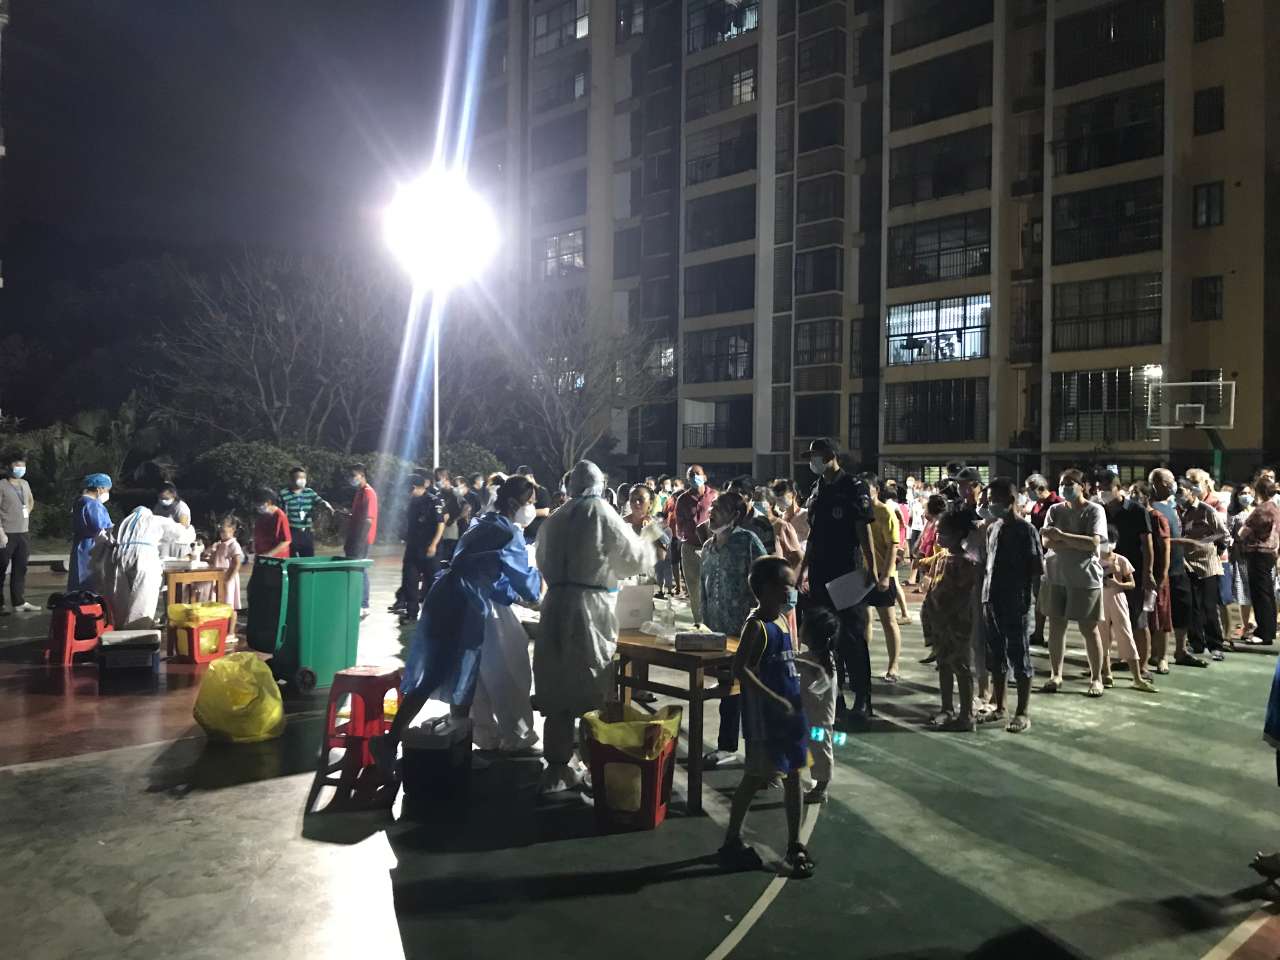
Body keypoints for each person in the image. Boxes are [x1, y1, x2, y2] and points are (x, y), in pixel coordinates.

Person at [374, 476, 543, 772]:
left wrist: (511, 595)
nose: (532, 509)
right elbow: (524, 582)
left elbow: (488, 573)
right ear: (513, 503)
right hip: (465, 603)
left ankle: (456, 747)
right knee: (449, 673)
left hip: (447, 594)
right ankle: (392, 742)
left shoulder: (483, 522)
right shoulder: (507, 532)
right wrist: (538, 587)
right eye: (529, 503)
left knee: (457, 673)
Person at [533, 460, 654, 793]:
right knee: (590, 686)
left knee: (556, 687)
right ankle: (592, 767)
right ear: (600, 484)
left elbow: (540, 559)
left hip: (555, 607)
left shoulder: (555, 518)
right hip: (590, 609)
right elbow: (632, 561)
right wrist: (647, 543)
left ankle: (557, 767)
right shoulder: (602, 513)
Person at [717, 556, 814, 880]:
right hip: (766, 722)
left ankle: (795, 843)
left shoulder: (783, 620)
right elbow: (740, 669)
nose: (791, 591)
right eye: (786, 585)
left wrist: (809, 671)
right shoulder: (756, 626)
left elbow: (787, 661)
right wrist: (773, 698)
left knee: (795, 775)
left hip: (790, 717)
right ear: (767, 588)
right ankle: (731, 839)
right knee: (755, 776)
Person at [800, 438, 878, 727]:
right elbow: (813, 534)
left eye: (816, 455)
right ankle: (836, 697)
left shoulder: (853, 486)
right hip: (819, 572)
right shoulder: (817, 488)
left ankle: (863, 699)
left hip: (846, 571)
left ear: (831, 455)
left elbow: (862, 528)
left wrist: (872, 565)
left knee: (852, 637)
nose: (813, 461)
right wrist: (802, 569)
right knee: (823, 638)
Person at [701, 493, 768, 768]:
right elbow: (704, 590)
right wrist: (704, 624)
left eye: (719, 508)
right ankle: (727, 746)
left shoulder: (747, 542)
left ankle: (761, 756)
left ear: (735, 516)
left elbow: (767, 577)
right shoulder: (708, 547)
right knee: (728, 691)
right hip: (720, 634)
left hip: (747, 632)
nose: (712, 511)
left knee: (752, 693)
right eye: (712, 507)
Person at [981, 477, 1043, 733]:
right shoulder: (993, 528)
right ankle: (1000, 707)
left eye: (994, 500)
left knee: (1019, 657)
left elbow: (1036, 569)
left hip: (1015, 601)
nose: (990, 504)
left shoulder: (1026, 530)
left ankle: (1022, 712)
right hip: (991, 599)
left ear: (1010, 500)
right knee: (996, 657)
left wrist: (1035, 602)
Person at [1040, 469, 1109, 697]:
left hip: (1084, 578)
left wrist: (1061, 536)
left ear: (1083, 486)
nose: (1065, 487)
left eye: (1070, 483)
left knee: (1088, 628)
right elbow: (1047, 541)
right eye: (1062, 483)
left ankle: (1096, 678)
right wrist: (1074, 541)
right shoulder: (1055, 510)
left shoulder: (1094, 510)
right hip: (1056, 575)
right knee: (1056, 626)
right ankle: (1055, 675)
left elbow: (1092, 543)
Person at [923, 509, 981, 731]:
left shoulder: (966, 562)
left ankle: (966, 715)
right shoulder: (941, 558)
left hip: (957, 624)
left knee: (961, 667)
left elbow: (964, 595)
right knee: (944, 664)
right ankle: (946, 708)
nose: (938, 536)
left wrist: (947, 616)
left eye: (943, 532)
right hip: (939, 622)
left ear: (957, 534)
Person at [93, 506, 195, 627]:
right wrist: (188, 527)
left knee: (120, 599)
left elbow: (104, 539)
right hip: (144, 557)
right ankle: (139, 630)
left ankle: (120, 629)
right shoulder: (154, 519)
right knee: (143, 597)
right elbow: (181, 534)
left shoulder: (123, 522)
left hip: (117, 558)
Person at [1100, 470, 1155, 679]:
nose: (1103, 492)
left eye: (1107, 488)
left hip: (1132, 571)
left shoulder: (1137, 510)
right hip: (1105, 573)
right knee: (1105, 622)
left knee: (1138, 619)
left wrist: (1148, 572)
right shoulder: (1100, 511)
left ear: (1118, 488)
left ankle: (1143, 666)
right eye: (1099, 488)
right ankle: (1103, 666)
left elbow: (1147, 544)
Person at [1149, 468, 1205, 668]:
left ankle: (1180, 651)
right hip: (1162, 568)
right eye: (1170, 480)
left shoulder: (1173, 506)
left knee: (1183, 608)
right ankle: (1157, 654)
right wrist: (1181, 542)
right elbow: (1156, 540)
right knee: (1161, 613)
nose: (1174, 484)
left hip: (1178, 566)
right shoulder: (1151, 508)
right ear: (1159, 483)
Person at [1098, 526, 1158, 692]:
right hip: (1099, 599)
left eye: (1110, 541)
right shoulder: (1093, 560)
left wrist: (1118, 583)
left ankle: (1137, 677)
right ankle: (1106, 673)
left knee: (1125, 635)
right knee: (1102, 637)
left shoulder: (1121, 560)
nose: (1107, 545)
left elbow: (1132, 583)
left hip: (1118, 598)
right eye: (1104, 541)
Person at [1177, 477, 1230, 661]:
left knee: (1209, 607)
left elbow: (1224, 534)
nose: (1178, 495)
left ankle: (1216, 645)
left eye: (1181, 491)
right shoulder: (1178, 511)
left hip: (1207, 565)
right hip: (1187, 564)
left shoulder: (1206, 510)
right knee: (1192, 606)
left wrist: (1205, 544)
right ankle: (1196, 643)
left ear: (1191, 491)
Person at [796, 605, 839, 804]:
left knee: (820, 750)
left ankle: (821, 789)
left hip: (819, 720)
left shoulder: (822, 663)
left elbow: (817, 688)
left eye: (803, 625)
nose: (800, 628)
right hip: (810, 716)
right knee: (813, 749)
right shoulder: (816, 657)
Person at [1237, 475, 1279, 646]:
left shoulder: (1262, 509)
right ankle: (1269, 630)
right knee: (1267, 593)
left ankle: (1263, 633)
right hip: (1270, 553)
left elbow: (1244, 531)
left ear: (1258, 491)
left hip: (1257, 553)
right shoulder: (1275, 508)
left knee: (1260, 594)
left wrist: (1238, 539)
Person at [396, 474, 445, 623]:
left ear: (414, 487)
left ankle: (432, 615)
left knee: (432, 582)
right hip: (413, 547)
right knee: (410, 580)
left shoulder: (433, 501)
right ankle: (411, 613)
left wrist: (434, 544)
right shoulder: (412, 502)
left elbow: (440, 524)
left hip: (430, 548)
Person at [675, 464, 716, 626]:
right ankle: (699, 622)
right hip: (690, 548)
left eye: (697, 473)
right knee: (694, 587)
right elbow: (679, 525)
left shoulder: (714, 496)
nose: (694, 477)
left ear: (704, 476)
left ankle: (713, 621)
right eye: (691, 475)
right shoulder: (682, 499)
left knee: (711, 585)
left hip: (712, 547)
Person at [1025, 474, 1062, 645]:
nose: (1027, 493)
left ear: (1040, 488)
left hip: (1054, 557)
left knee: (1053, 598)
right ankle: (1038, 633)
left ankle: (1055, 636)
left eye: (1029, 489)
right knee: (1039, 596)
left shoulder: (1058, 504)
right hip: (1037, 556)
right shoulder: (1036, 506)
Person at [0, 453, 37, 613]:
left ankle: (19, 602)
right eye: (17, 465)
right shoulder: (2, 485)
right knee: (1, 568)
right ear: (8, 467)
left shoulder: (25, 484)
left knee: (20, 568)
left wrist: (26, 511)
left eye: (22, 465)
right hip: (6, 532)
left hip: (23, 532)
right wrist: (1, 532)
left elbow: (30, 501)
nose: (20, 468)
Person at [69, 474, 113, 592]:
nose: (107, 493)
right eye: (107, 490)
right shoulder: (92, 504)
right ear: (99, 488)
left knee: (78, 580)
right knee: (89, 582)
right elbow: (99, 527)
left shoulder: (80, 501)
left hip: (81, 545)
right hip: (92, 546)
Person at [345, 463, 378, 615]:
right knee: (354, 569)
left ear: (362, 475)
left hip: (362, 539)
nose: (351, 478)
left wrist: (360, 540)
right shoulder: (359, 492)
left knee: (360, 569)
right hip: (354, 537)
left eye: (354, 475)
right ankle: (355, 601)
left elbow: (369, 520)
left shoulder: (369, 493)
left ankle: (364, 605)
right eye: (350, 476)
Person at [1226, 483, 1257, 641]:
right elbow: (1228, 534)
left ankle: (1253, 623)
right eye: (1242, 493)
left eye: (1248, 492)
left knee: (1257, 592)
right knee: (1244, 593)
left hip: (1257, 556)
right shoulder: (1233, 513)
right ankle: (1245, 625)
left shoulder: (1257, 510)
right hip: (1241, 557)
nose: (1246, 496)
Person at [280, 466, 332, 558]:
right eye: (299, 478)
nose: (302, 480)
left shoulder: (309, 492)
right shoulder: (283, 494)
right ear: (291, 479)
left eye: (304, 478)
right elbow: (280, 513)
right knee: (292, 559)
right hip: (291, 531)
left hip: (306, 531)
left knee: (308, 558)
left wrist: (326, 504)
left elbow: (320, 501)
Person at [204, 515, 245, 633]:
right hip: (217, 577)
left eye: (224, 530)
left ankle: (230, 632)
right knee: (218, 604)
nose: (221, 533)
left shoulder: (233, 544)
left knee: (229, 605)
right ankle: (220, 630)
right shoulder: (220, 544)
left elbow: (237, 563)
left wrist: (228, 579)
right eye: (220, 530)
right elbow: (213, 559)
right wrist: (209, 552)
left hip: (228, 577)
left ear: (232, 530)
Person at [153, 482, 193, 559]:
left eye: (166, 498)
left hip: (178, 543)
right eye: (161, 498)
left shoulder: (181, 507)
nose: (163, 501)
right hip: (162, 542)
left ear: (173, 495)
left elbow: (183, 527)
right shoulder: (158, 506)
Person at [514, 465, 552, 543]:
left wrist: (525, 513)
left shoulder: (542, 491)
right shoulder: (520, 492)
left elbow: (545, 511)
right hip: (522, 534)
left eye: (524, 478)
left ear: (531, 477)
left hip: (537, 535)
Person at [252, 487, 292, 559]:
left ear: (269, 502)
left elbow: (286, 541)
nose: (257, 506)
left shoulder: (280, 516)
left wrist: (269, 554)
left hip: (277, 559)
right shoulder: (261, 516)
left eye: (259, 504)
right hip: (261, 556)